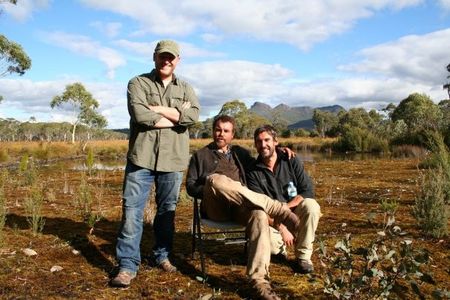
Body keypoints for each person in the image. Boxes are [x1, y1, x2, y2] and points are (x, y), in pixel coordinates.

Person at [111, 40, 200, 287]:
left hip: (173, 161)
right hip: (141, 159)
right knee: (131, 213)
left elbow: (193, 116)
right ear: (154, 57)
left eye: (171, 57)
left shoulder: (187, 88)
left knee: (167, 213)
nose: (167, 61)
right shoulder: (137, 83)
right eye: (163, 56)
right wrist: (176, 115)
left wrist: (158, 109)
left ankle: (162, 255)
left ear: (178, 60)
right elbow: (140, 115)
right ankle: (127, 265)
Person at [186, 115, 300, 300]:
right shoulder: (200, 155)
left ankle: (259, 280)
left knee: (259, 214)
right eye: (218, 129)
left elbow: (261, 160)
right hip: (216, 207)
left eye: (226, 131)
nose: (221, 134)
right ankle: (278, 209)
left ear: (232, 134)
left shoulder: (240, 153)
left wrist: (278, 150)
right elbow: (190, 186)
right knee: (215, 179)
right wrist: (208, 188)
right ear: (213, 131)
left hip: (241, 206)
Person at [247, 125, 321, 274]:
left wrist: (286, 208)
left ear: (276, 142)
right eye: (259, 141)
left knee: (312, 206)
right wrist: (282, 228)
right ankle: (282, 246)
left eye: (267, 140)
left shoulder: (291, 160)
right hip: (274, 220)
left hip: (295, 211)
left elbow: (307, 191)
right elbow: (260, 207)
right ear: (255, 144)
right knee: (275, 251)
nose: (263, 145)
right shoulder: (252, 172)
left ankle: (303, 257)